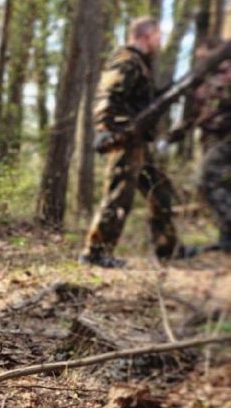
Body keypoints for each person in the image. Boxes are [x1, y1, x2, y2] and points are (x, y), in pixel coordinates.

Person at [82, 16, 185, 268]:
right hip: (124, 139)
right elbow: (108, 94)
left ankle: (167, 249)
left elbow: (141, 102)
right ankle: (95, 253)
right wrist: (105, 129)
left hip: (138, 140)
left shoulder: (140, 64)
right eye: (158, 35)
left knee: (158, 188)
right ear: (147, 35)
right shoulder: (127, 60)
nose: (159, 41)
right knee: (119, 195)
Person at [188, 42, 231, 253]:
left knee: (206, 180)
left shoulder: (225, 75)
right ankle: (226, 239)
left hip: (225, 138)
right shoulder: (203, 80)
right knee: (224, 184)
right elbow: (196, 113)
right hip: (210, 138)